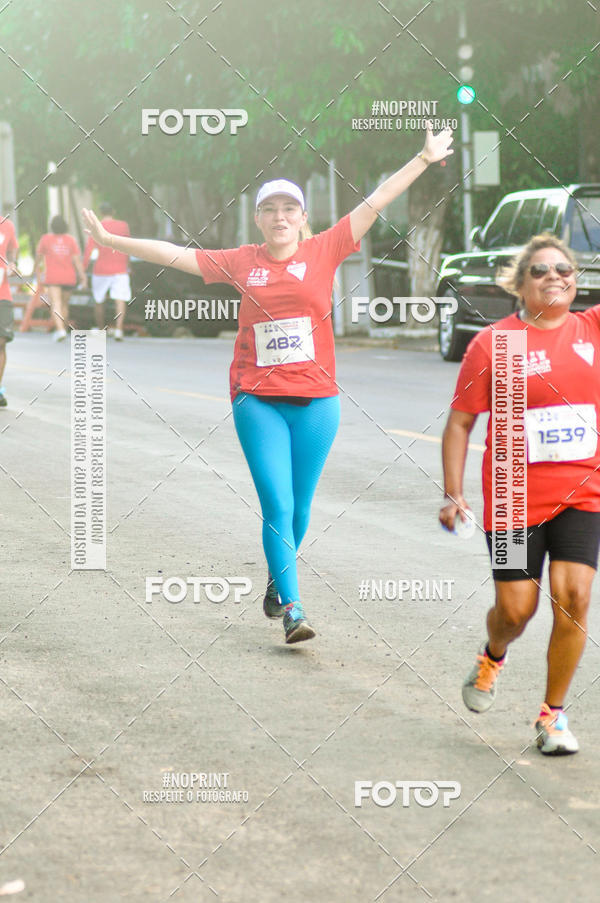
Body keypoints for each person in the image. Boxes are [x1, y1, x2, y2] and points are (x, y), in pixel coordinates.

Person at [83, 123, 453, 643]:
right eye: (270, 210)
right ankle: (294, 610)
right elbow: (172, 253)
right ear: (258, 219)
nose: (280, 218)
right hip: (258, 400)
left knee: (301, 510)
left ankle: (279, 584)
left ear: (303, 219)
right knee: (277, 505)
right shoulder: (241, 262)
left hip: (319, 402)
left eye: (289, 210)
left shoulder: (325, 249)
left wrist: (422, 157)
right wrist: (110, 240)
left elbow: (376, 200)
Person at [439, 232, 600, 755]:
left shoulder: (593, 329)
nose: (555, 276)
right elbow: (461, 424)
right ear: (519, 283)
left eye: (565, 269)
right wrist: (452, 492)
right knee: (516, 610)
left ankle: (552, 717)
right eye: (541, 271)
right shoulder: (494, 344)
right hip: (512, 494)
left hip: (583, 489)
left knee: (574, 599)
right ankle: (493, 654)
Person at [82, 202, 131, 340]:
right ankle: (119, 330)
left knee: (99, 299)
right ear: (113, 211)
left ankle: (100, 328)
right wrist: (128, 265)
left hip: (101, 269)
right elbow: (127, 246)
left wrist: (83, 269)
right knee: (120, 299)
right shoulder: (123, 225)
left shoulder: (96, 226)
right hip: (120, 268)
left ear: (101, 213)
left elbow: (89, 250)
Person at [35, 215, 86, 341]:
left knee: (56, 304)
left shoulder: (45, 239)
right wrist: (83, 276)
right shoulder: (71, 240)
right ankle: (62, 329)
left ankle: (60, 330)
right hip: (69, 277)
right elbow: (77, 261)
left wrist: (34, 270)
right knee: (64, 305)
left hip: (53, 277)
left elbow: (39, 257)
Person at [0, 207, 19, 407]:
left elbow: (13, 250)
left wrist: (12, 264)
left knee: (2, 341)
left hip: (2, 294)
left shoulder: (7, 225)